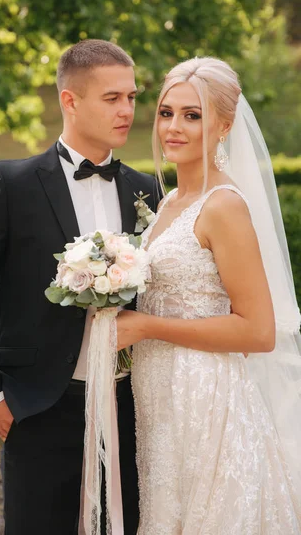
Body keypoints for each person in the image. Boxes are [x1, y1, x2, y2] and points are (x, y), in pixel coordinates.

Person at [0, 39, 160, 535]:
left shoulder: (148, 189)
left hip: (131, 410)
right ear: (69, 100)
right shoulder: (9, 184)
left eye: (132, 97)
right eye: (112, 98)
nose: (127, 111)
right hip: (38, 408)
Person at [116, 57, 301, 533]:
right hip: (158, 401)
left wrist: (147, 327)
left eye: (192, 115)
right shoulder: (167, 205)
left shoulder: (224, 206)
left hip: (206, 399)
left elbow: (258, 332)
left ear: (224, 126)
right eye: (165, 112)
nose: (173, 127)